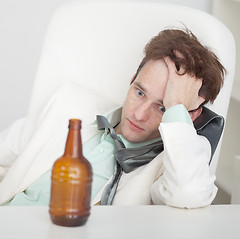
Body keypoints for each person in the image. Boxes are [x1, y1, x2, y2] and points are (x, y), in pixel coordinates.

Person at [0, 28, 225, 208]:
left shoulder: (179, 160)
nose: (139, 114)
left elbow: (188, 194)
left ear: (191, 115)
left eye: (162, 108)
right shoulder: (68, 101)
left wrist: (176, 107)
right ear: (132, 79)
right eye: (140, 92)